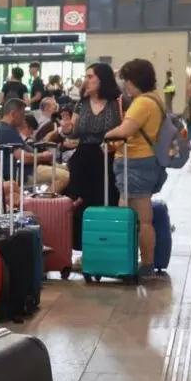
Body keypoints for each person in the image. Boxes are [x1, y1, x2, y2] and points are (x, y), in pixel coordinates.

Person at [106, 58, 169, 276]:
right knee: (138, 217)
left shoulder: (142, 103)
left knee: (141, 219)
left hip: (136, 164)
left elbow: (124, 131)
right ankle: (141, 261)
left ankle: (146, 263)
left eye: (127, 81)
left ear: (134, 80)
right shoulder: (156, 99)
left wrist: (106, 135)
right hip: (147, 161)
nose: (125, 86)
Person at [62, 63, 121, 250]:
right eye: (86, 77)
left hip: (107, 158)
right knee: (81, 202)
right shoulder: (81, 104)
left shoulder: (116, 102)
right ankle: (82, 247)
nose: (86, 81)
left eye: (90, 76)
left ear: (102, 79)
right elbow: (73, 132)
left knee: (107, 199)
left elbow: (124, 128)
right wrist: (66, 131)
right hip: (84, 158)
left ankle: (106, 245)